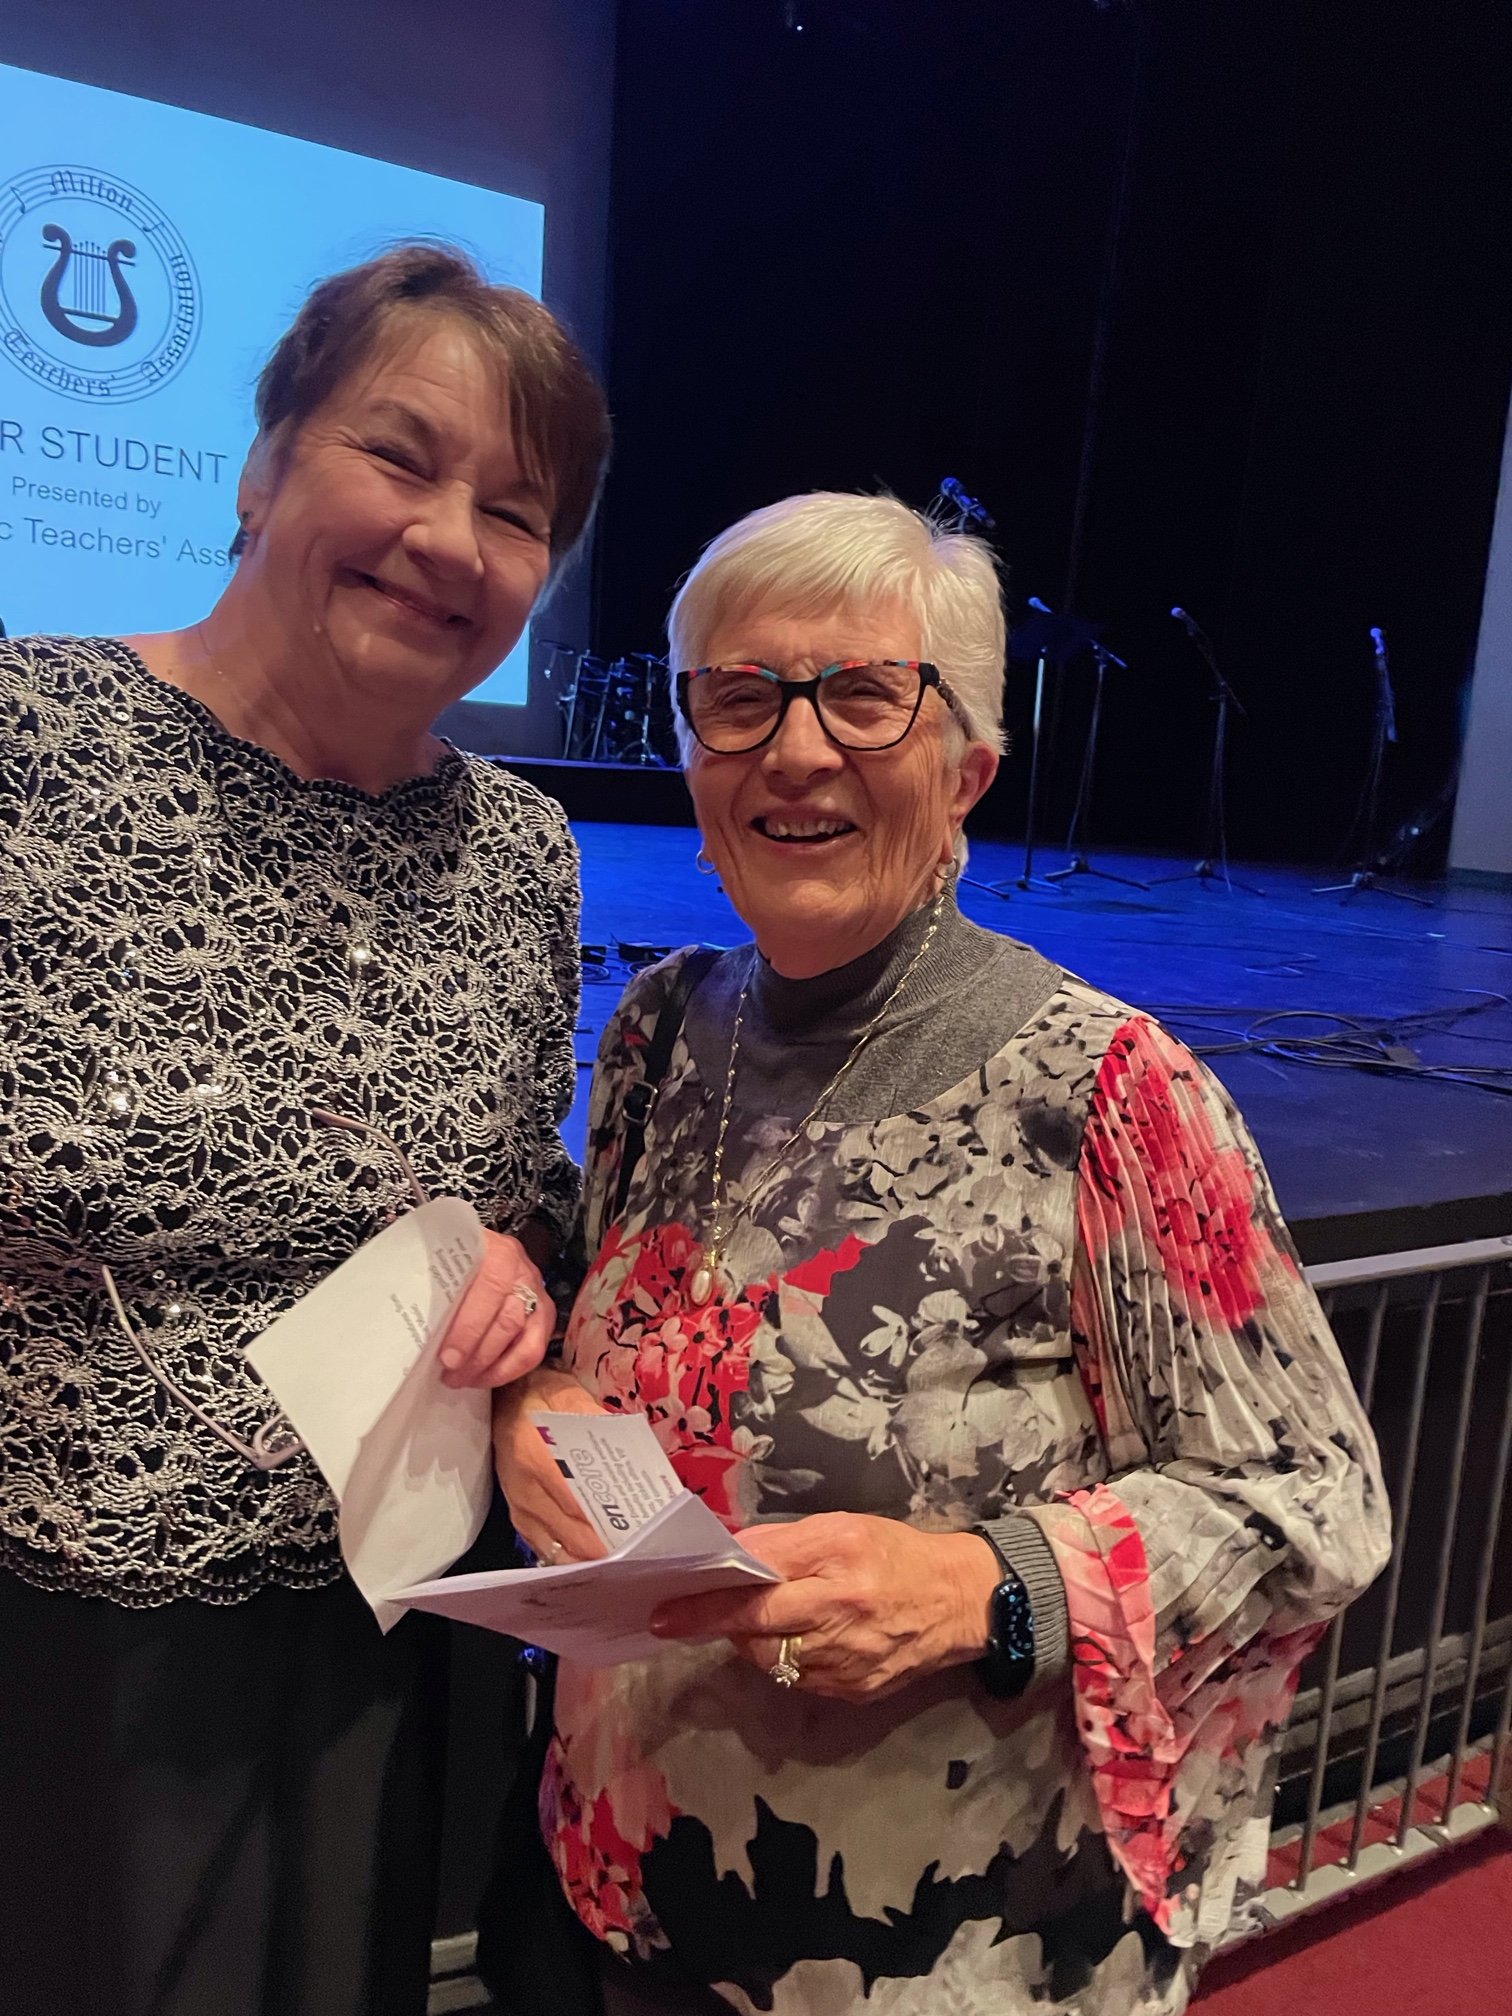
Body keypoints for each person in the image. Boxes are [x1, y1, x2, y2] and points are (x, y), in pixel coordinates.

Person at [490, 493, 1391, 2016]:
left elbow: (1320, 1503)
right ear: (696, 760)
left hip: (939, 1955)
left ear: (968, 765)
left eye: (861, 695)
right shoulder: (655, 1035)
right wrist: (532, 1410)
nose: (794, 749)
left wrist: (995, 1582)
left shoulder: (1111, 1093)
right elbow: (602, 1341)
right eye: (740, 697)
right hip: (623, 1897)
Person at [0, 243, 610, 2016]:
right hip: (60, 1630)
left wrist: (521, 1265)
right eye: (398, 457)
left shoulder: (521, 856)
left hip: (377, 1622)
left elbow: (529, 1189)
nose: (448, 539)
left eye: (515, 510)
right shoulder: (29, 738)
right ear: (263, 467)